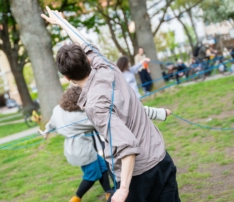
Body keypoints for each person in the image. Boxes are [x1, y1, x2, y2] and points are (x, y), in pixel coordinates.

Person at [41, 7, 180, 202]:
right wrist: (61, 22)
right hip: (161, 159)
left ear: (66, 77)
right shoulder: (106, 66)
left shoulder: (95, 106)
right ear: (87, 60)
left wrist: (123, 189)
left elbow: (127, 146)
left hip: (138, 176)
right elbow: (83, 42)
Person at [40, 86, 112, 202]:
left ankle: (108, 192)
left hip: (73, 148)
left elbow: (52, 122)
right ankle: (76, 198)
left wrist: (46, 131)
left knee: (102, 166)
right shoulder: (79, 117)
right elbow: (99, 121)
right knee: (92, 175)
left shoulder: (57, 109)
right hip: (83, 149)